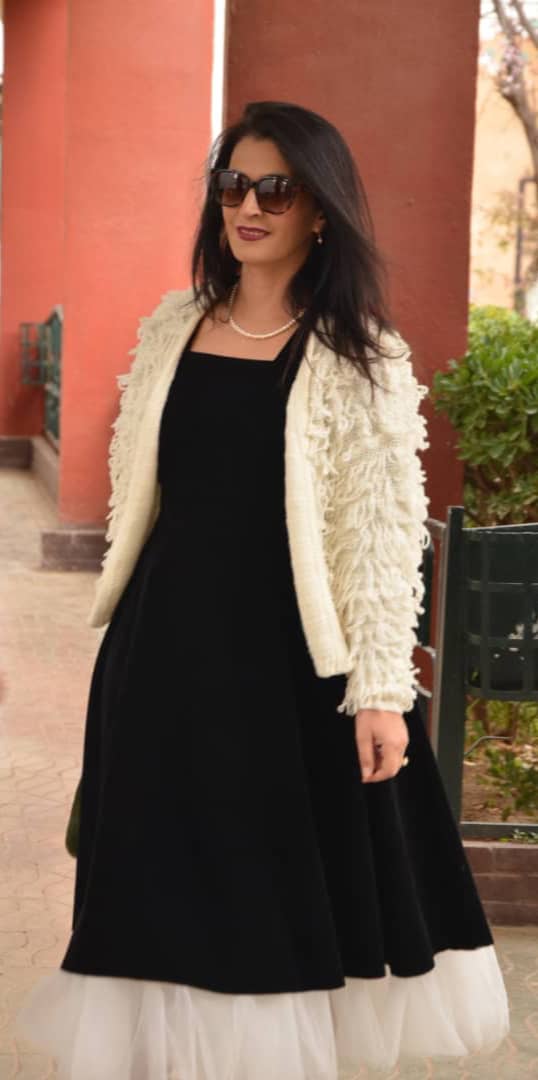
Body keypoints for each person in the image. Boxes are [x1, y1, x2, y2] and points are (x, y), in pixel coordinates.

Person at [16, 100, 509, 1078]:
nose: (248, 206)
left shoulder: (357, 352)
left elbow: (382, 532)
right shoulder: (173, 326)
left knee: (264, 876)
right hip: (161, 649)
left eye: (275, 189)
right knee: (150, 863)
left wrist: (381, 692)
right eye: (233, 185)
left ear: (319, 209)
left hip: (287, 666)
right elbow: (146, 487)